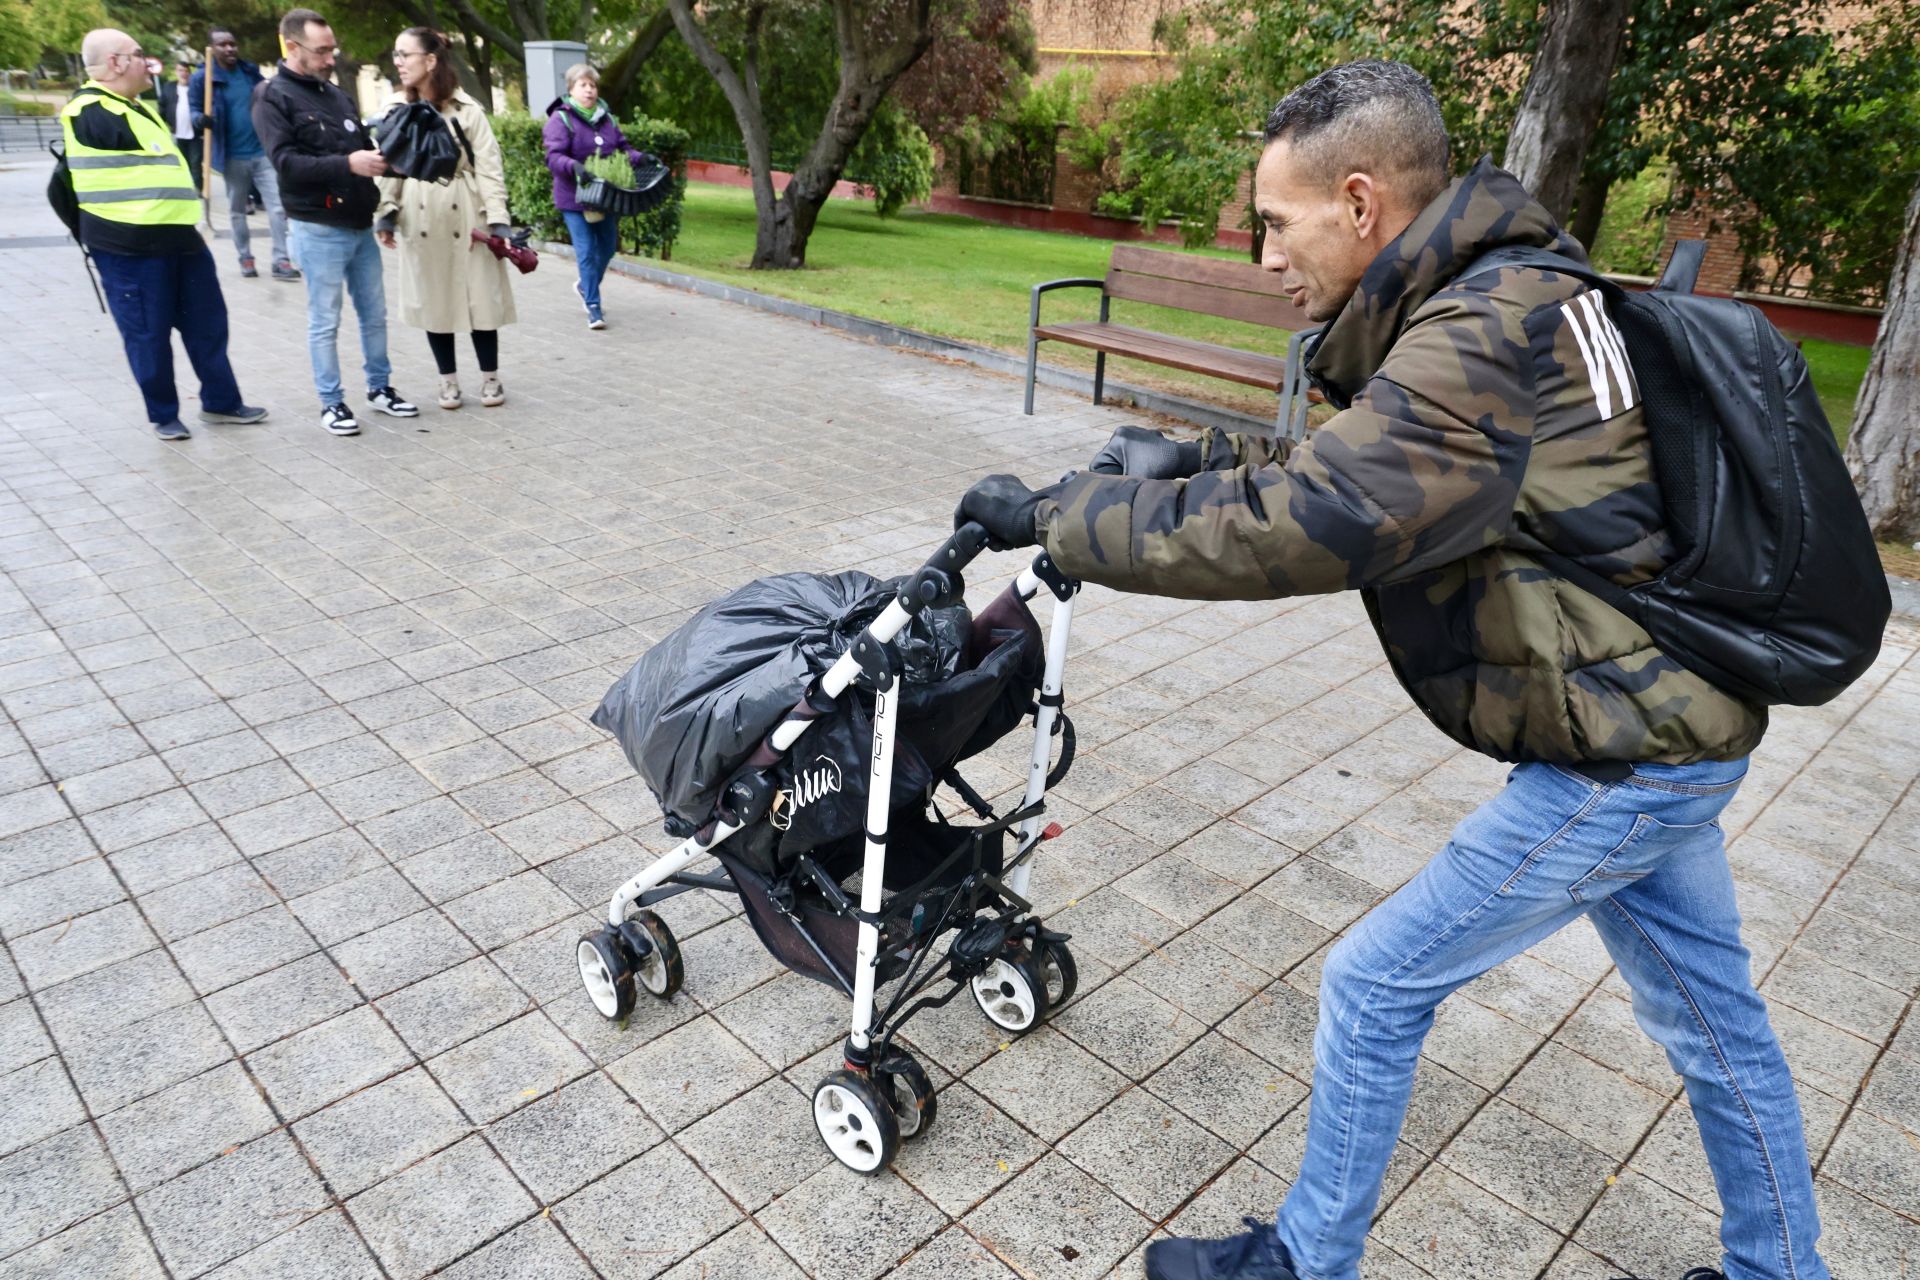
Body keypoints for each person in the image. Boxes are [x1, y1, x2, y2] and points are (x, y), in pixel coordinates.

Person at [955, 61, 1831, 1280]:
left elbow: (1312, 520)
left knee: (1373, 985)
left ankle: (1307, 1263)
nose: (1267, 255)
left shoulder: (1483, 329)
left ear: (1360, 202)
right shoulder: (1513, 289)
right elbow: (1365, 461)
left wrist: (1061, 518)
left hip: (1626, 755)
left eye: (1277, 222)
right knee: (1717, 1024)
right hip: (1668, 724)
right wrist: (1186, 459)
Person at [58, 30, 266, 441]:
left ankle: (221, 402)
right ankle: (164, 414)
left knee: (207, 325)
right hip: (129, 246)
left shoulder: (137, 108)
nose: (150, 64)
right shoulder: (89, 109)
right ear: (115, 62)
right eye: (140, 56)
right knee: (147, 334)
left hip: (179, 239)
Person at [253, 7, 419, 437]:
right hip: (317, 227)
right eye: (322, 51)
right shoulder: (272, 96)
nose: (331, 58)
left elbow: (367, 152)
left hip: (360, 222)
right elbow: (285, 163)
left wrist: (405, 160)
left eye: (332, 49)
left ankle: (380, 388)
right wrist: (348, 163)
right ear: (293, 47)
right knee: (325, 320)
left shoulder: (338, 95)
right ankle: (331, 402)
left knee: (375, 315)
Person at [374, 26, 515, 410]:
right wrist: (386, 213)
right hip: (420, 213)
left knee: (481, 298)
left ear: (431, 60)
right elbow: (389, 166)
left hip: (467, 209)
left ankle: (490, 377)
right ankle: (447, 381)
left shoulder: (467, 108)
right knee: (433, 299)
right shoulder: (394, 108)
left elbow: (489, 167)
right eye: (397, 55)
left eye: (406, 54)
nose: (399, 62)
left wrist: (498, 220)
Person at [541, 62, 654, 330]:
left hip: (603, 196)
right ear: (571, 89)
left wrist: (641, 158)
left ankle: (584, 285)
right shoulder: (561, 119)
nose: (589, 90)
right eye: (583, 85)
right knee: (587, 251)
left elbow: (623, 150)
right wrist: (575, 167)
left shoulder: (607, 119)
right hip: (574, 197)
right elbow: (553, 157)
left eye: (592, 85)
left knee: (607, 247)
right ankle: (593, 306)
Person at [189, 28, 296, 281]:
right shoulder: (203, 78)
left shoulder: (249, 72)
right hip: (232, 156)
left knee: (278, 207)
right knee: (237, 211)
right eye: (223, 45)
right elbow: (193, 110)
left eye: (233, 44)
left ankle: (281, 260)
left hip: (262, 151)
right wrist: (200, 119)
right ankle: (245, 257)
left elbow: (269, 96)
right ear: (212, 49)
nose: (229, 49)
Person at [157, 58, 203, 181]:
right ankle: (185, 187)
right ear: (176, 72)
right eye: (180, 70)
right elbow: (162, 107)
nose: (183, 73)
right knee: (181, 163)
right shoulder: (168, 87)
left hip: (195, 135)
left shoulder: (196, 88)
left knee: (195, 165)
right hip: (177, 134)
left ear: (190, 73)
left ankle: (198, 189)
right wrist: (160, 126)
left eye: (186, 71)